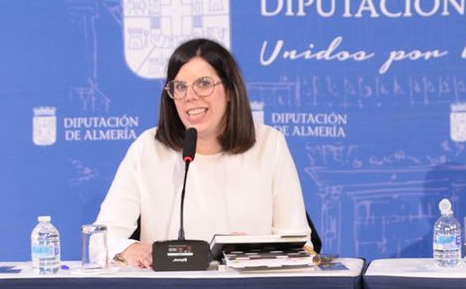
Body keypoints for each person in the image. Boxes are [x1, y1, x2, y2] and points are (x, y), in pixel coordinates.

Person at [92, 37, 310, 268]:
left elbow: (299, 243)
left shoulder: (269, 145)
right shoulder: (148, 148)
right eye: (180, 87)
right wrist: (128, 249)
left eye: (204, 84)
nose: (190, 96)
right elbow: (99, 241)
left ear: (229, 90)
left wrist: (253, 251)